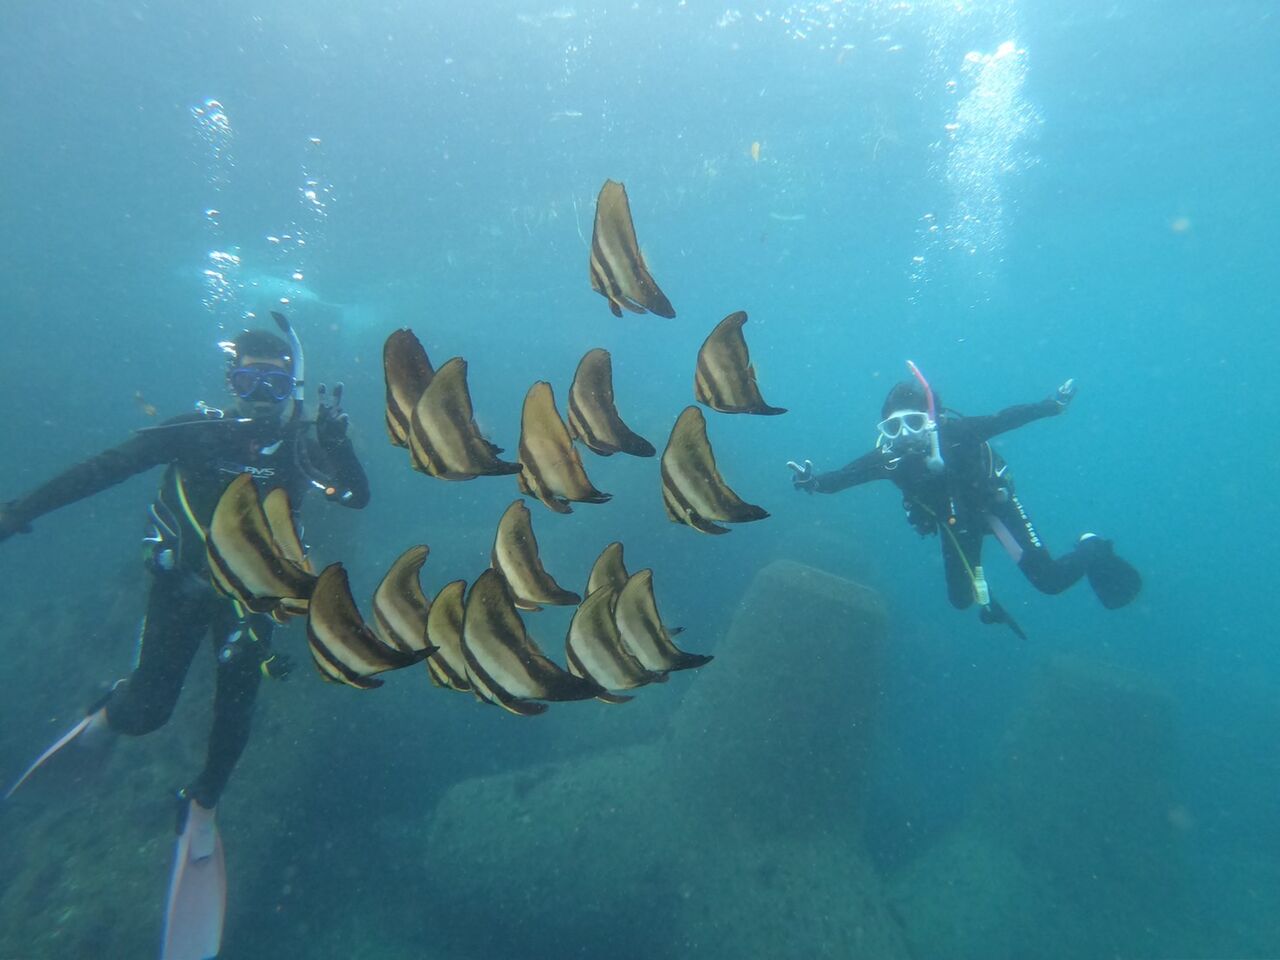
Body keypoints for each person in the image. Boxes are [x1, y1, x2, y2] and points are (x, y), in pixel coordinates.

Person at [0, 313, 369, 959]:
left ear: (292, 387)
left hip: (252, 595)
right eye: (249, 381)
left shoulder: (301, 444)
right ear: (230, 381)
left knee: (236, 711)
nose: (260, 397)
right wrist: (19, 511)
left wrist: (338, 448)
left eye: (274, 384)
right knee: (149, 711)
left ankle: (202, 806)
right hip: (181, 588)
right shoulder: (194, 432)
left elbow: (353, 497)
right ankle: (109, 715)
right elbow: (102, 470)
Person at [787, 362, 1140, 637]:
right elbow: (845, 477)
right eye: (893, 428)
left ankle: (1092, 546)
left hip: (993, 508)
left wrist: (1052, 405)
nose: (905, 436)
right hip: (955, 523)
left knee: (1050, 581)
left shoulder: (956, 433)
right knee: (960, 600)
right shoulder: (888, 459)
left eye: (913, 423)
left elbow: (1005, 419)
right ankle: (985, 594)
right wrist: (813, 482)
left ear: (932, 421)